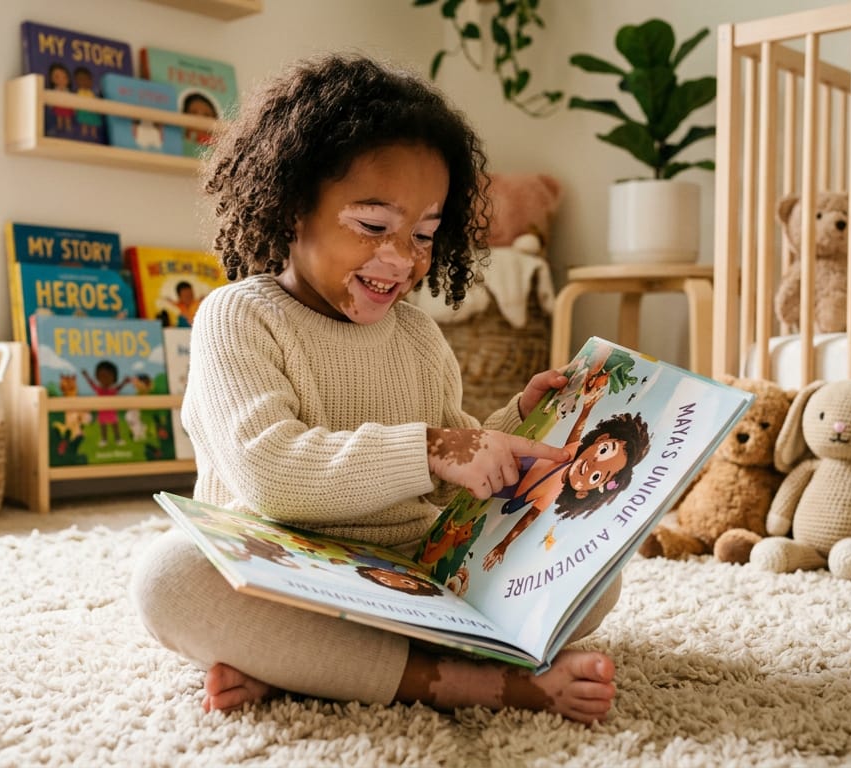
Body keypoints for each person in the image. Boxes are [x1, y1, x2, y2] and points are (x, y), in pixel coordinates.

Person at [130, 52, 623, 725]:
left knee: (598, 578)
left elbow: (449, 484)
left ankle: (308, 668)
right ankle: (467, 682)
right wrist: (433, 447)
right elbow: (269, 472)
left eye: (424, 234)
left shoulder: (418, 338)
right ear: (292, 205)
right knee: (168, 580)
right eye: (371, 227)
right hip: (288, 574)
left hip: (405, 576)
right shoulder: (237, 317)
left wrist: (518, 424)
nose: (401, 258)